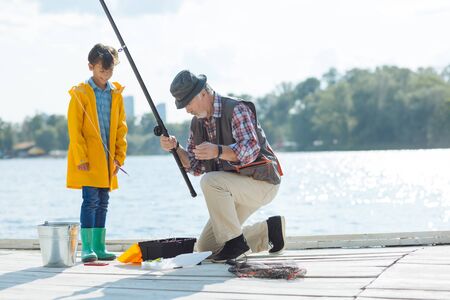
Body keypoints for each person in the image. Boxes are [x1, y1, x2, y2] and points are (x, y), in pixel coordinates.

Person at [160, 70, 285, 262]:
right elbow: (195, 167)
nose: (186, 110)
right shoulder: (197, 124)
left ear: (203, 93)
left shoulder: (236, 109)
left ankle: (236, 245)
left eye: (187, 103)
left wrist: (218, 150)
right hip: (233, 190)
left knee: (210, 181)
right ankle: (269, 231)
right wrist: (176, 148)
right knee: (207, 248)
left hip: (263, 183)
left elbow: (250, 150)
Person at [66, 43, 128, 262]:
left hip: (108, 160)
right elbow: (75, 129)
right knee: (90, 200)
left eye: (110, 70)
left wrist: (119, 156)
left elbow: (121, 128)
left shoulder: (116, 94)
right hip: (89, 160)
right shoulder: (81, 93)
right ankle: (87, 248)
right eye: (102, 70)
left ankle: (100, 247)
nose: (106, 74)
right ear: (91, 66)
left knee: (103, 201)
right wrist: (81, 157)